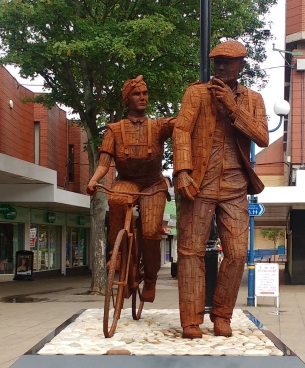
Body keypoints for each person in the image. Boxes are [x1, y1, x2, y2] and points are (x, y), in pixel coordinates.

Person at [173, 40, 269, 338]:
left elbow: (262, 137)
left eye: (228, 62)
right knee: (190, 251)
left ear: (242, 65)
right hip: (199, 183)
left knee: (238, 253)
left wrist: (232, 106)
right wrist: (183, 171)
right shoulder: (195, 94)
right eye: (218, 62)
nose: (222, 67)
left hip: (235, 185)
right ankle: (190, 320)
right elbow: (181, 131)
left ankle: (222, 315)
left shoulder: (253, 99)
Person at [87, 75, 174, 303]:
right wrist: (93, 181)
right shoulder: (114, 130)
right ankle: (120, 258)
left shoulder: (157, 126)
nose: (143, 97)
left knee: (151, 232)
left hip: (153, 183)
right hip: (127, 180)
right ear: (128, 99)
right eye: (137, 94)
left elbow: (179, 124)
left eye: (145, 93)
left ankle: (152, 278)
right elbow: (104, 164)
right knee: (115, 200)